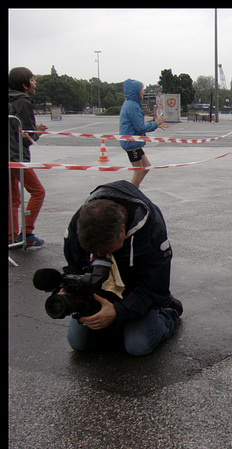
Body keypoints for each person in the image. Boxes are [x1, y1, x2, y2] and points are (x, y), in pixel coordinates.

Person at [61, 180, 182, 356]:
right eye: (95, 252)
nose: (100, 255)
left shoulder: (151, 229)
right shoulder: (82, 223)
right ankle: (115, 324)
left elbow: (154, 289)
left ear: (122, 231)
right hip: (99, 292)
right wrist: (66, 288)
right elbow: (73, 267)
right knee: (77, 342)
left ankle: (168, 314)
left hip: (137, 291)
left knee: (138, 346)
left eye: (106, 250)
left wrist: (117, 312)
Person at [8, 67, 47, 247]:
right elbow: (26, 137)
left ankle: (12, 235)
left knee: (13, 197)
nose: (35, 83)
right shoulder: (23, 102)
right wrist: (37, 132)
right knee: (38, 192)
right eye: (32, 80)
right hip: (16, 158)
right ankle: (28, 232)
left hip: (10, 157)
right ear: (24, 85)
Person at [119, 79, 168, 187]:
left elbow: (139, 126)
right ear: (135, 91)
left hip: (134, 143)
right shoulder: (132, 106)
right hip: (131, 143)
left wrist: (156, 124)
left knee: (146, 167)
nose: (143, 92)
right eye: (142, 89)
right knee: (139, 171)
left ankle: (134, 191)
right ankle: (131, 195)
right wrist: (156, 123)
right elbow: (140, 127)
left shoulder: (131, 104)